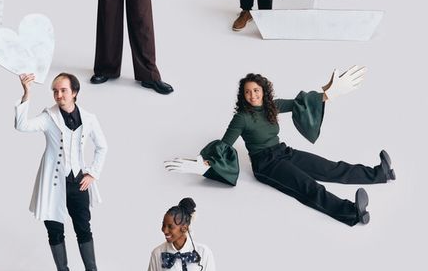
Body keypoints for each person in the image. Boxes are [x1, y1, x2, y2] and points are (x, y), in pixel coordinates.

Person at [164, 68, 395, 226]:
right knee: (310, 187)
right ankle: (352, 212)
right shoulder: (241, 118)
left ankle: (380, 174)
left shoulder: (271, 106)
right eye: (247, 92)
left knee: (330, 168)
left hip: (284, 152)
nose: (252, 95)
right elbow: (224, 145)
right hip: (266, 165)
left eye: (256, 90)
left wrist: (329, 93)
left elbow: (300, 104)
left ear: (263, 91)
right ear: (243, 96)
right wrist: (205, 164)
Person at [15, 72, 110, 271]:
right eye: (55, 91)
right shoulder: (48, 117)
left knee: (83, 228)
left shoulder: (89, 118)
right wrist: (26, 93)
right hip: (53, 183)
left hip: (78, 183)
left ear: (74, 92)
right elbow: (22, 125)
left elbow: (102, 147)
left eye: (63, 90)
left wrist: (93, 173)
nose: (58, 95)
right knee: (55, 231)